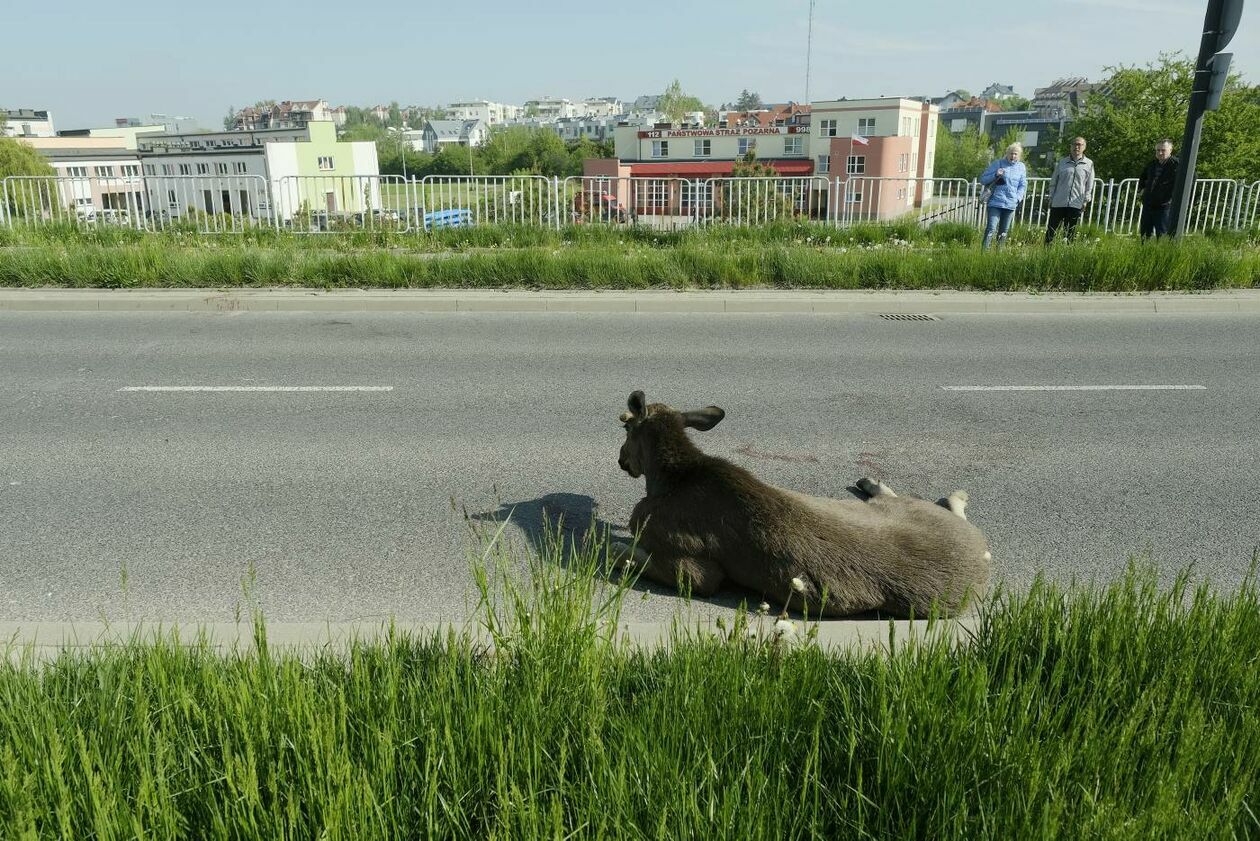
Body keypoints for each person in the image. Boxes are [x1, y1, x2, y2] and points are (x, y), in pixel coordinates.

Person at [1044, 136, 1095, 244]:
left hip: (1076, 203)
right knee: (1051, 231)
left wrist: (1086, 200)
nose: (1076, 147)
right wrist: (1051, 197)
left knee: (1069, 233)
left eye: (1079, 145)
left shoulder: (1089, 164)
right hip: (1058, 202)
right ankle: (1046, 254)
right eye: (1074, 144)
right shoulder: (1062, 162)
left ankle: (1066, 255)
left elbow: (1089, 184)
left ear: (1084, 147)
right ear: (1070, 147)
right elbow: (1053, 182)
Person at [978, 142, 1028, 250]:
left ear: (1019, 156)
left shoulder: (1021, 167)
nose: (1012, 156)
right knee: (991, 228)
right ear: (1007, 153)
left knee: (1004, 231)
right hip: (995, 202)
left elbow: (1023, 185)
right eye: (1011, 153)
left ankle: (998, 254)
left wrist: (1017, 198)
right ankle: (984, 253)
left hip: (1010, 204)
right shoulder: (998, 163)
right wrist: (995, 174)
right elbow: (983, 179)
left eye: (1015, 154)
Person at [1138, 139, 1178, 239]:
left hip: (1164, 205)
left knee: (1162, 234)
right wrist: (1142, 189)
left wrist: (1179, 195)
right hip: (1148, 203)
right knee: (1145, 232)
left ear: (1170, 150)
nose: (1160, 153)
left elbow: (1192, 176)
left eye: (1163, 150)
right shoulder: (1152, 164)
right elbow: (1143, 177)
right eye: (1158, 150)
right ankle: (1144, 253)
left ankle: (1161, 254)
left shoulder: (1176, 164)